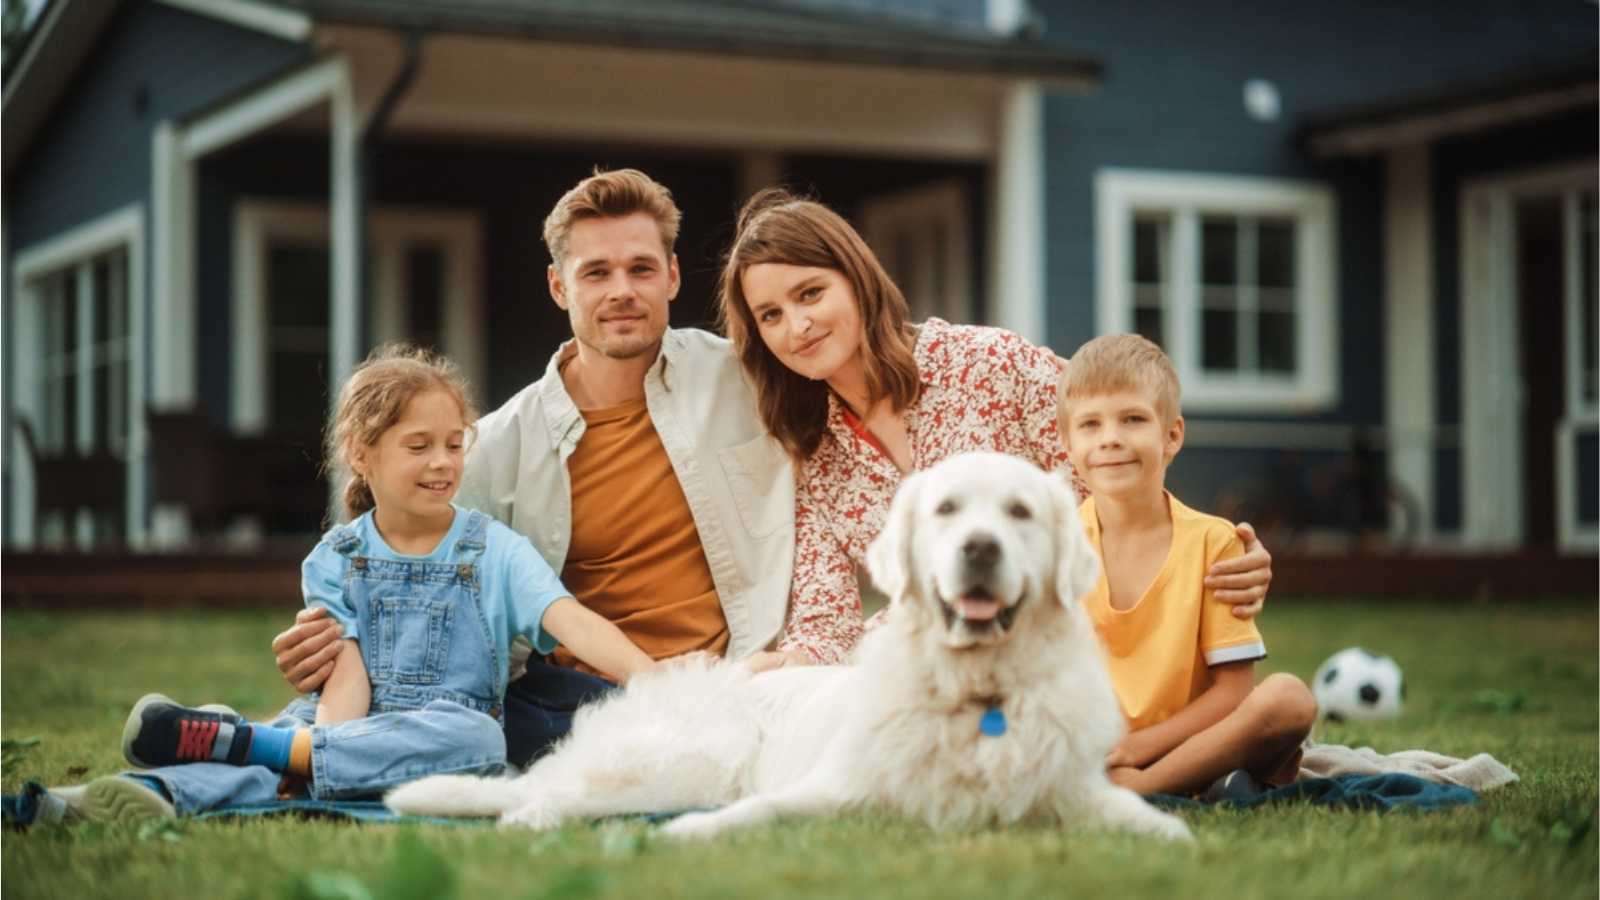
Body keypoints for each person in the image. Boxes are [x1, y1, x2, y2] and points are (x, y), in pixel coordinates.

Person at [270, 170, 799, 766]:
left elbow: (868, 365)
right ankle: (232, 752)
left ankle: (272, 749)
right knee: (434, 719)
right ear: (558, 286)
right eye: (596, 273)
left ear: (672, 276)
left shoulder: (753, 380)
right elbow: (413, 579)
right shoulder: (496, 447)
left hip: (731, 678)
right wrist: (331, 640)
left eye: (641, 269)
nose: (621, 290)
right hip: (571, 701)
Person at [53, 345, 665, 823]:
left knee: (477, 736)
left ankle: (241, 745)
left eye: (455, 445)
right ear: (361, 452)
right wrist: (331, 752)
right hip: (345, 721)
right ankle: (129, 793)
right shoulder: (334, 558)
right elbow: (345, 681)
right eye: (418, 446)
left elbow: (570, 620)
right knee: (303, 740)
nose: (443, 463)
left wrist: (659, 678)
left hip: (442, 733)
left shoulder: (495, 550)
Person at [717, 189, 1275, 666]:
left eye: (810, 293)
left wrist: (1214, 556)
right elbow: (826, 617)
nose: (798, 325)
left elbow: (1122, 475)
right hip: (942, 649)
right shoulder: (813, 450)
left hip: (1087, 627)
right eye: (770, 315)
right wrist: (790, 666)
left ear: (857, 279)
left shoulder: (990, 362)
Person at [1058, 333, 1316, 797]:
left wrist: (1138, 750)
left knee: (1289, 699)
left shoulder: (1214, 542)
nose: (1110, 439)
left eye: (1133, 419)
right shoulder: (1054, 545)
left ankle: (1140, 790)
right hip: (1090, 745)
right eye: (1090, 424)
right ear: (1067, 443)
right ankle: (1195, 785)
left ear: (1172, 434)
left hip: (1185, 741)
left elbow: (1234, 693)